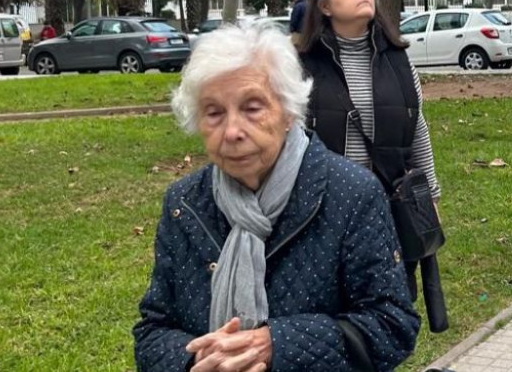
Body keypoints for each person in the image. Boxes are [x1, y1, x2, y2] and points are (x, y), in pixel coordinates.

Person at [132, 24, 420, 371]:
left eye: (252, 108)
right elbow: (152, 330)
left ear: (288, 112)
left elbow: (392, 326)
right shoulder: (184, 203)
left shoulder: (352, 193)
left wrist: (277, 346)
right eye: (214, 112)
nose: (233, 132)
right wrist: (199, 358)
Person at [295, 0, 444, 310]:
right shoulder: (302, 65)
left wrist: (431, 197)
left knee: (387, 304)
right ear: (324, 6)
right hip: (324, 209)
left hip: (389, 205)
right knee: (332, 303)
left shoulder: (399, 60)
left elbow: (417, 129)